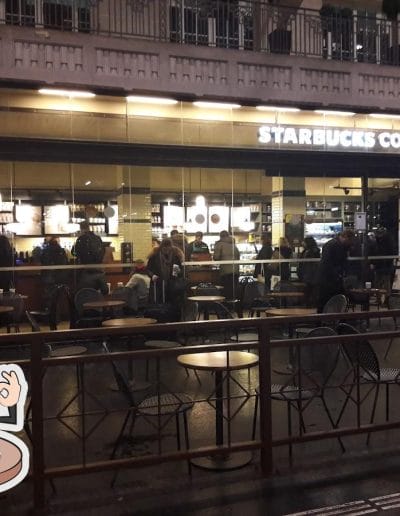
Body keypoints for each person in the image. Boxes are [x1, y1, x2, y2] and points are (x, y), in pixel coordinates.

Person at [316, 229, 355, 312]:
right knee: (330, 300)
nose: (350, 243)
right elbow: (329, 263)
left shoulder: (332, 244)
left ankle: (324, 317)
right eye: (350, 240)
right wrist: (339, 274)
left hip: (329, 278)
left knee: (326, 301)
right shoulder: (334, 246)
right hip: (329, 279)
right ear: (345, 237)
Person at [73, 221, 107, 293]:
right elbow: (103, 251)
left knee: (84, 292)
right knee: (100, 291)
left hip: (86, 270)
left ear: (81, 228)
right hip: (98, 269)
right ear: (88, 227)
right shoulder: (97, 238)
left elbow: (74, 252)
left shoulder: (81, 239)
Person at [147, 238, 184, 304]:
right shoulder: (155, 255)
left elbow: (179, 270)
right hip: (158, 283)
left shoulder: (175, 255)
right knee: (158, 301)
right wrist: (152, 275)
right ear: (161, 247)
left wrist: (177, 272)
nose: (167, 250)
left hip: (172, 283)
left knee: (171, 302)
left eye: (168, 248)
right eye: (164, 248)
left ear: (171, 247)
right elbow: (148, 269)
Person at [40, 237, 69, 309]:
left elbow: (42, 262)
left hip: (48, 276)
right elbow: (65, 262)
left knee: (48, 296)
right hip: (59, 277)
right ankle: (57, 312)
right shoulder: (61, 250)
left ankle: (49, 311)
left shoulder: (45, 250)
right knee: (58, 297)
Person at [213, 230, 240, 300]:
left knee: (225, 291)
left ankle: (226, 305)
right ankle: (233, 304)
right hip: (235, 271)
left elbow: (216, 257)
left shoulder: (219, 244)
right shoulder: (233, 244)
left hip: (225, 271)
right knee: (234, 291)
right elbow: (238, 257)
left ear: (220, 236)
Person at [297, 236, 320, 306]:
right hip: (308, 274)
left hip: (311, 274)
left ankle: (308, 304)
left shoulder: (313, 251)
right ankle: (307, 303)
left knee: (309, 290)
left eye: (304, 241)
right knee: (308, 290)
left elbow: (311, 264)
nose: (302, 243)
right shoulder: (307, 251)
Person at [373, 228, 395, 299]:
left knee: (380, 283)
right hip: (384, 264)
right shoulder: (388, 241)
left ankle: (380, 298)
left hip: (382, 264)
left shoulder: (378, 242)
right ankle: (385, 298)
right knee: (385, 283)